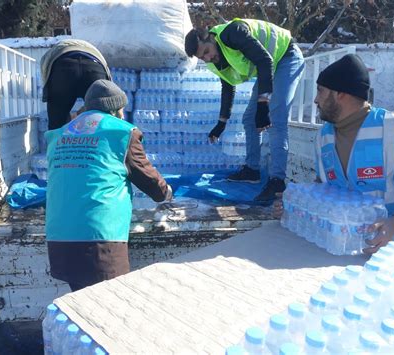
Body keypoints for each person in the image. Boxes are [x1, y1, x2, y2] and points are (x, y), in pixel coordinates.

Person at [276, 54, 394, 253]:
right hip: (336, 251)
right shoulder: (323, 137)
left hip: (390, 257)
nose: (315, 99)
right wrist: (295, 205)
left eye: (320, 91)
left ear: (341, 94)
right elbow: (325, 190)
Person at [45, 79, 173, 291]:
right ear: (116, 109)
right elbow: (148, 179)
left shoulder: (60, 134)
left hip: (59, 239)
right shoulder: (122, 132)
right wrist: (165, 193)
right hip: (99, 241)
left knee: (81, 306)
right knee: (106, 308)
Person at [184, 18, 305, 203]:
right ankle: (252, 170)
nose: (207, 58)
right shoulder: (215, 59)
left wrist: (263, 105)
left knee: (275, 118)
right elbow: (228, 86)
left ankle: (277, 182)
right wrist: (221, 123)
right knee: (249, 118)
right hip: (268, 66)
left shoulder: (233, 33)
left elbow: (265, 60)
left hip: (286, 57)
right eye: (202, 58)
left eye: (206, 52)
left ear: (211, 37)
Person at [40, 39, 112, 130]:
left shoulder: (50, 55)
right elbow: (110, 95)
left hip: (62, 67)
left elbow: (46, 77)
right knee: (101, 117)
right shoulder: (93, 50)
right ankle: (102, 142)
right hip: (94, 67)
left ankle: (57, 143)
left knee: (57, 124)